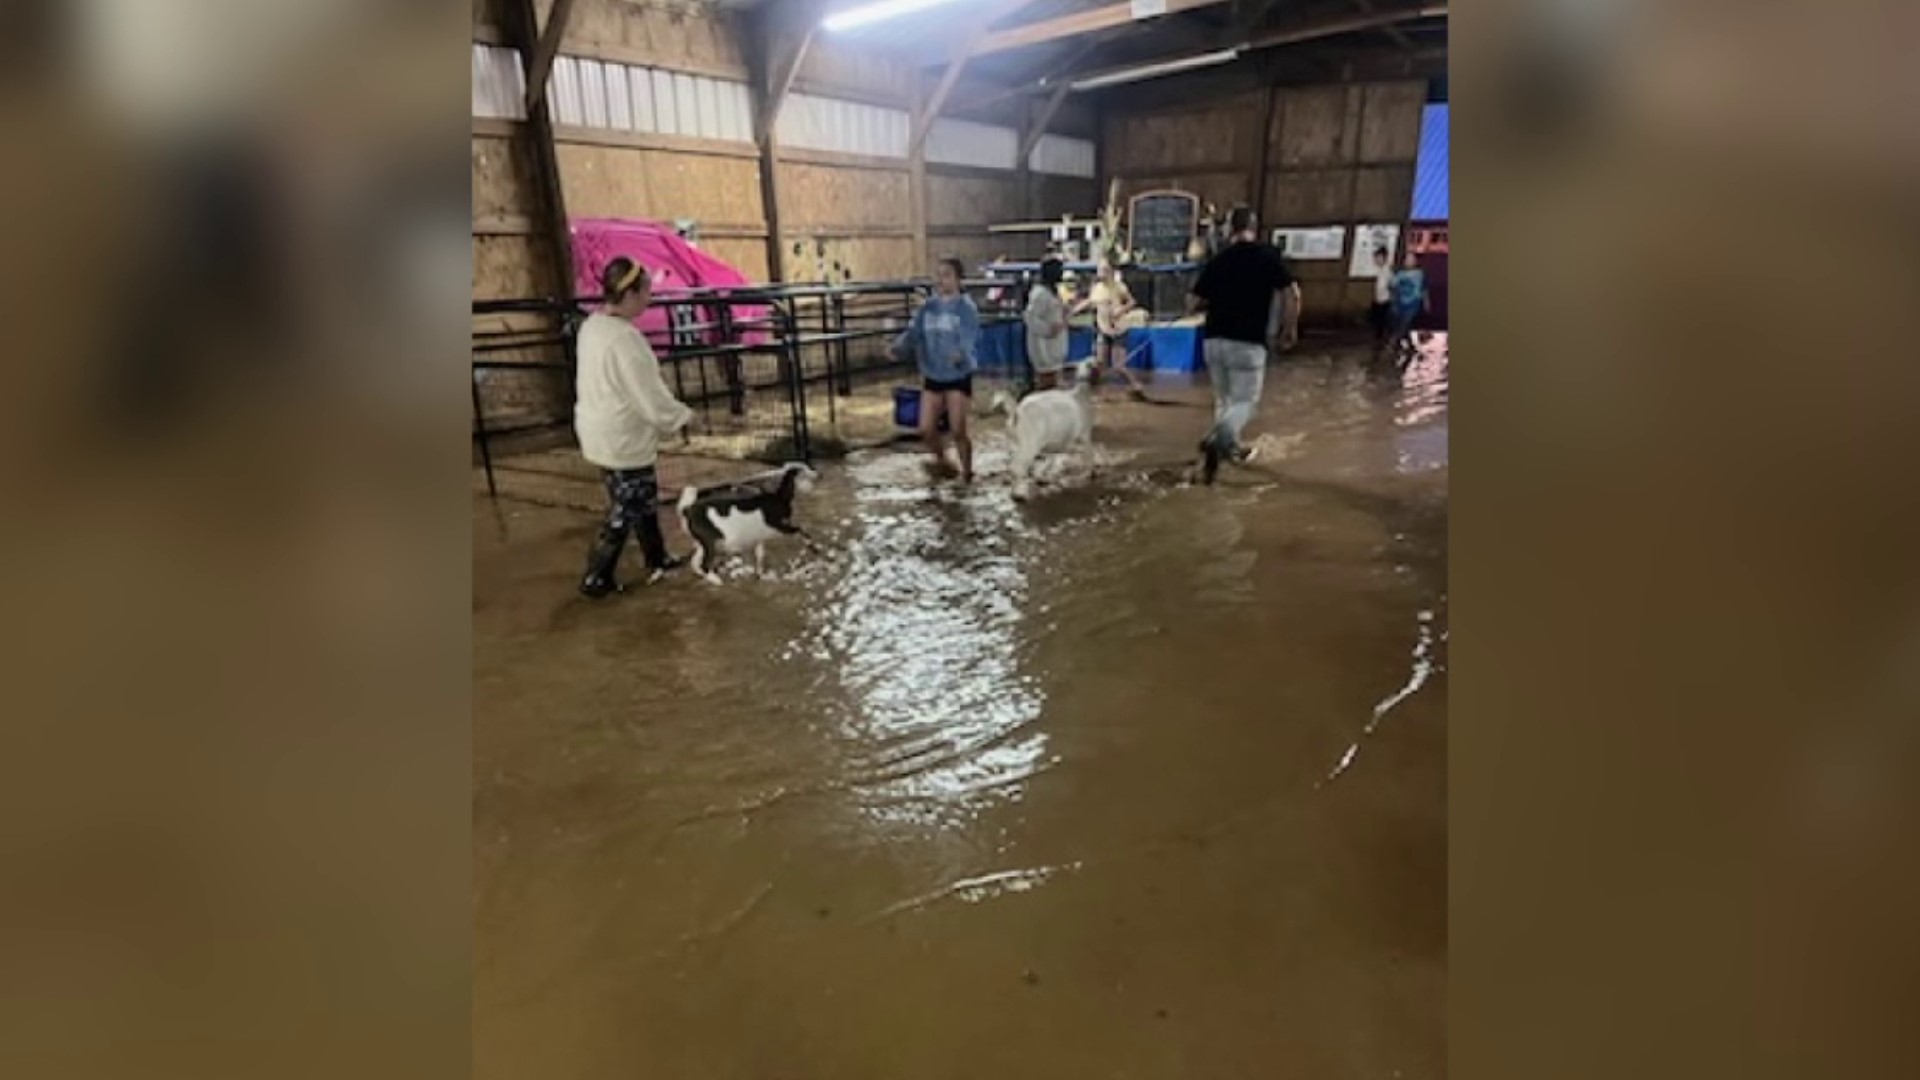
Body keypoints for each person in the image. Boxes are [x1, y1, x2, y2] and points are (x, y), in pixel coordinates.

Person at [574, 257, 694, 598]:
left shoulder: (593, 325)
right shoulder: (626, 340)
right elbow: (651, 399)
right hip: (622, 438)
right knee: (625, 509)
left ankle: (657, 558)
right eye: (646, 291)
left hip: (600, 431)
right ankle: (596, 577)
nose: (649, 298)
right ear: (630, 293)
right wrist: (683, 416)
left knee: (641, 498)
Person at [1188, 205, 1297, 484]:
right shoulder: (1267, 257)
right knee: (1246, 402)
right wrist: (1289, 327)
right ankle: (1219, 437)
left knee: (1224, 399)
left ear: (1229, 229)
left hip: (1213, 341)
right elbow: (1291, 292)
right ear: (1253, 227)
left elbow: (1193, 302)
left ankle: (1230, 447)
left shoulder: (1218, 260)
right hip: (1248, 342)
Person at [894, 256, 981, 482]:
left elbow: (970, 335)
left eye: (947, 275)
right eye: (938, 276)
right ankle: (943, 461)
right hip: (933, 372)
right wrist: (898, 347)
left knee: (957, 429)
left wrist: (961, 353)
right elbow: (915, 332)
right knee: (925, 428)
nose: (941, 280)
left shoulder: (965, 307)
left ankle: (967, 472)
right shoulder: (928, 308)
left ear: (958, 280)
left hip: (957, 374)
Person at [1073, 260, 1148, 400]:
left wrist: (1121, 310)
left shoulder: (1119, 287)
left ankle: (1136, 386)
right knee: (1099, 363)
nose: (1101, 273)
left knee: (1118, 365)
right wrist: (1073, 310)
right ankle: (1098, 393)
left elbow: (1132, 302)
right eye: (1100, 270)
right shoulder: (1096, 288)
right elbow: (1089, 302)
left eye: (1105, 270)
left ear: (1111, 272)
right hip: (1103, 328)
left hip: (1118, 329)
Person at [1023, 256, 1069, 392]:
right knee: (1046, 383)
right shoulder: (1040, 294)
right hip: (1044, 347)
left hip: (1054, 347)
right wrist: (1048, 329)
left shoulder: (1053, 293)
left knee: (1054, 382)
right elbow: (1030, 317)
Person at [1387, 248, 1429, 370]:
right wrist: (1393, 301)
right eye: (1407, 259)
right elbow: (1392, 287)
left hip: (1413, 303)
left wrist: (1426, 303)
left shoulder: (1420, 274)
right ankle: (1411, 347)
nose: (1409, 261)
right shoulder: (1400, 274)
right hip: (1401, 303)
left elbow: (1424, 289)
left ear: (1416, 261)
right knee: (1403, 325)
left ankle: (1392, 344)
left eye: (1412, 259)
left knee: (1404, 324)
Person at [1368, 245, 1395, 361]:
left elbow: (1393, 286)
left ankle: (1383, 344)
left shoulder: (1387, 271)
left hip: (1385, 301)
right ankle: (1379, 342)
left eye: (1378, 258)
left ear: (1384, 258)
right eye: (1375, 258)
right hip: (1378, 300)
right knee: (1376, 323)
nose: (1376, 260)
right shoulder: (1380, 270)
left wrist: (1391, 298)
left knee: (1382, 324)